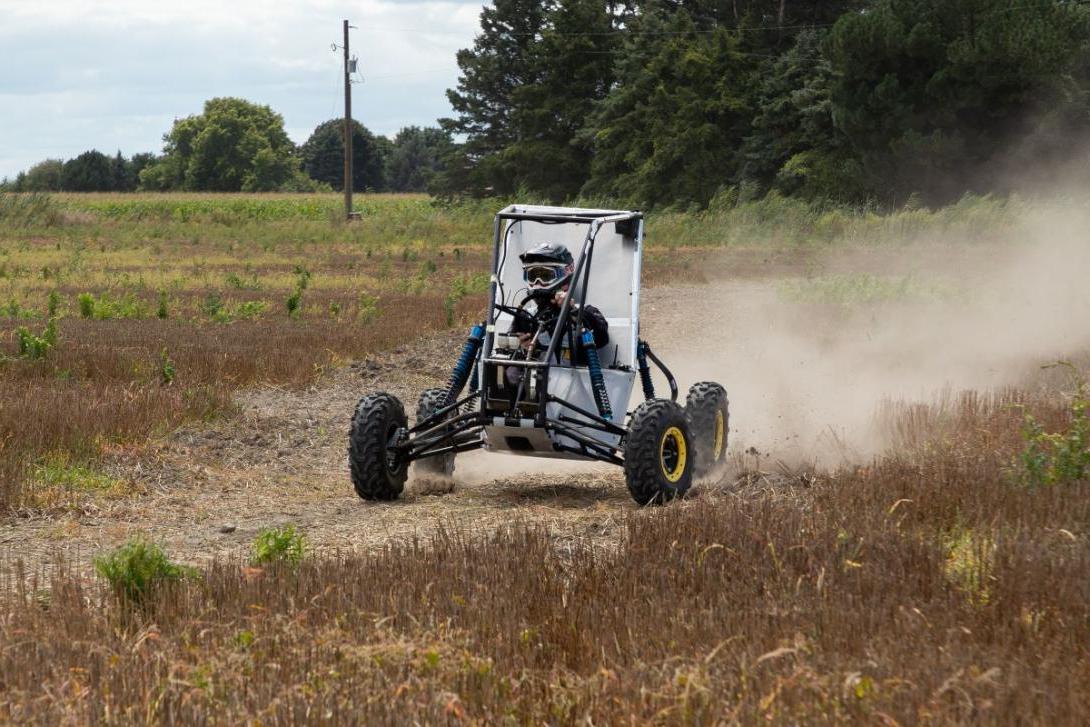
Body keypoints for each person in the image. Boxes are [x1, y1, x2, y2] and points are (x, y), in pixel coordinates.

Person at [509, 242, 609, 366]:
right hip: (537, 382)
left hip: (579, 383)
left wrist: (573, 312)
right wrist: (521, 349)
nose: (537, 283)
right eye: (533, 276)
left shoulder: (586, 311)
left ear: (565, 277)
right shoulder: (525, 317)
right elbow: (508, 366)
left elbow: (602, 337)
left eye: (545, 276)